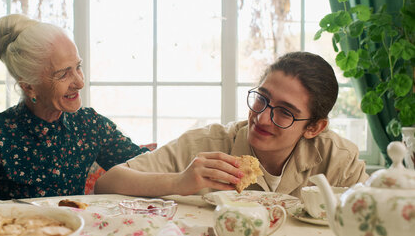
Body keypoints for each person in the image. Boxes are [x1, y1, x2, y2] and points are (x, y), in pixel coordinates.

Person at [0, 14, 148, 200]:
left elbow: (146, 165)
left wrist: (184, 155)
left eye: (78, 67)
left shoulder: (89, 125)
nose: (79, 82)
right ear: (29, 87)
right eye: (63, 74)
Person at [95, 51, 369, 198]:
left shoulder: (338, 159)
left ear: (314, 128)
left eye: (285, 112)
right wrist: (180, 181)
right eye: (262, 98)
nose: (261, 118)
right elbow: (108, 183)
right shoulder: (206, 145)